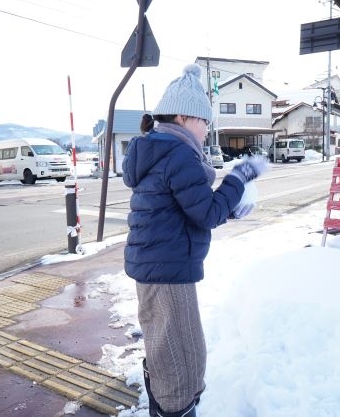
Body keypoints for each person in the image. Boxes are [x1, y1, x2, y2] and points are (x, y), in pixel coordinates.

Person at [122, 64, 267, 417]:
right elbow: (205, 213)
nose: (207, 130)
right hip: (170, 272)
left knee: (164, 349)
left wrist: (229, 208)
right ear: (186, 117)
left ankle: (165, 408)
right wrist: (239, 177)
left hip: (152, 267)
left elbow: (186, 208)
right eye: (205, 122)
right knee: (183, 360)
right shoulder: (179, 152)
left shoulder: (155, 149)